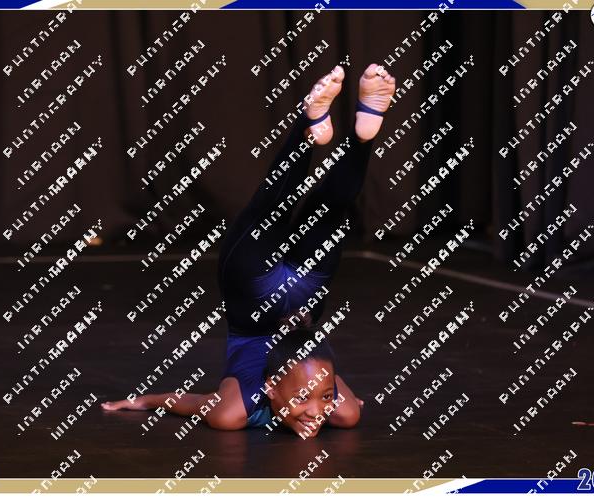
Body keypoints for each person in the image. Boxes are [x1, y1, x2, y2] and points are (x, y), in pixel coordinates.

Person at [102, 63, 396, 437]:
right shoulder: (342, 412)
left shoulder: (233, 412)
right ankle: (360, 134)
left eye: (324, 397)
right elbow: (341, 398)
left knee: (270, 213)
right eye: (318, 397)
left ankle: (322, 129)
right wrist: (344, 399)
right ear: (270, 389)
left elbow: (191, 400)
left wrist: (146, 401)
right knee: (327, 212)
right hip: (301, 301)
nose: (317, 412)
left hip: (258, 293)